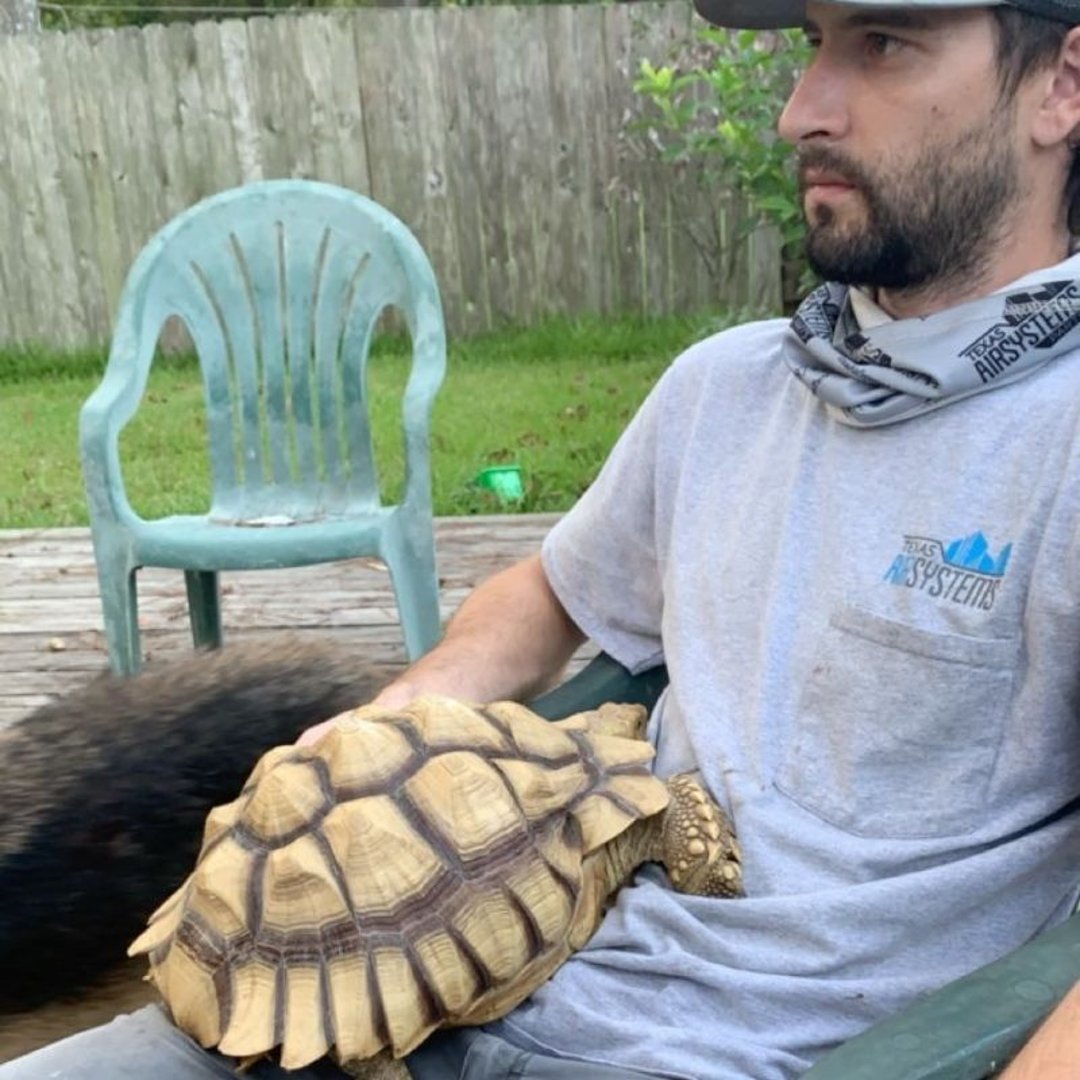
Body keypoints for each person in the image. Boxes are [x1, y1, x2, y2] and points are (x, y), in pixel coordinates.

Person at [6, 0, 1080, 1077]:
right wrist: (381, 734)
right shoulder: (725, 387)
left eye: (882, 44)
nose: (803, 110)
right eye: (812, 44)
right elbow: (550, 594)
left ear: (1061, 86)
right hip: (421, 978)